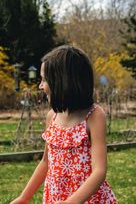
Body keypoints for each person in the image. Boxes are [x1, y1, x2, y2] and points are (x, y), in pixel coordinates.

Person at [10, 45, 117, 204]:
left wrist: (71, 202)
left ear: (63, 82)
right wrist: (24, 197)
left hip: (87, 199)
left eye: (45, 79)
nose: (40, 85)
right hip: (56, 196)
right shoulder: (51, 117)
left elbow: (99, 171)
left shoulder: (94, 116)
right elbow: (46, 162)